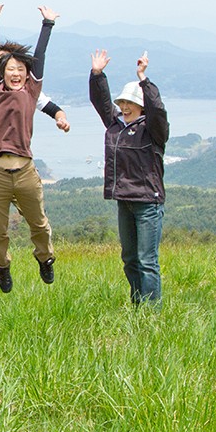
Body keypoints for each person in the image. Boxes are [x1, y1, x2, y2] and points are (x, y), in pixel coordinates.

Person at [0, 0, 70, 227]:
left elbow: (52, 108)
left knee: (34, 216)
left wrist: (62, 119)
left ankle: (45, 256)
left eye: (6, 63)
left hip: (18, 162)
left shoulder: (26, 91)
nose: (0, 67)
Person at [0, 4, 59, 293]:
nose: (16, 73)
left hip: (25, 171)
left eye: (21, 69)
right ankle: (2, 268)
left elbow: (40, 58)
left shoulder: (31, 91)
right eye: (10, 69)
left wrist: (47, 25)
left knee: (38, 223)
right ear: (1, 73)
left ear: (28, 74)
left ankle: (45, 258)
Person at [90, 50, 169, 304]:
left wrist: (143, 78)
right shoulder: (116, 126)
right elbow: (101, 103)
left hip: (147, 202)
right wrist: (97, 74)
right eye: (122, 103)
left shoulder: (152, 130)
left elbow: (158, 109)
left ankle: (151, 311)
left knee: (147, 260)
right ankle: (138, 305)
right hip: (124, 201)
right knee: (129, 259)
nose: (123, 107)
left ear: (141, 105)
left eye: (129, 103)